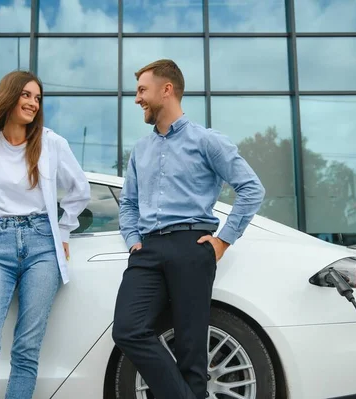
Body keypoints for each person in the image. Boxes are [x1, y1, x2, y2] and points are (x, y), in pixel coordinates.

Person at [112, 59, 265, 399]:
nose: (137, 99)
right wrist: (133, 241)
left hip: (192, 246)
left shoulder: (206, 141)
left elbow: (251, 188)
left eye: (142, 90)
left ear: (166, 90)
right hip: (147, 250)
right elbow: (129, 204)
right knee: (127, 329)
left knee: (191, 350)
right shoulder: (140, 149)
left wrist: (223, 241)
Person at [0, 70, 90, 399]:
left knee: (27, 347)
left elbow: (80, 191)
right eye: (26, 95)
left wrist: (63, 230)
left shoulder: (50, 143)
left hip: (42, 246)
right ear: (8, 97)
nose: (33, 103)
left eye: (37, 98)